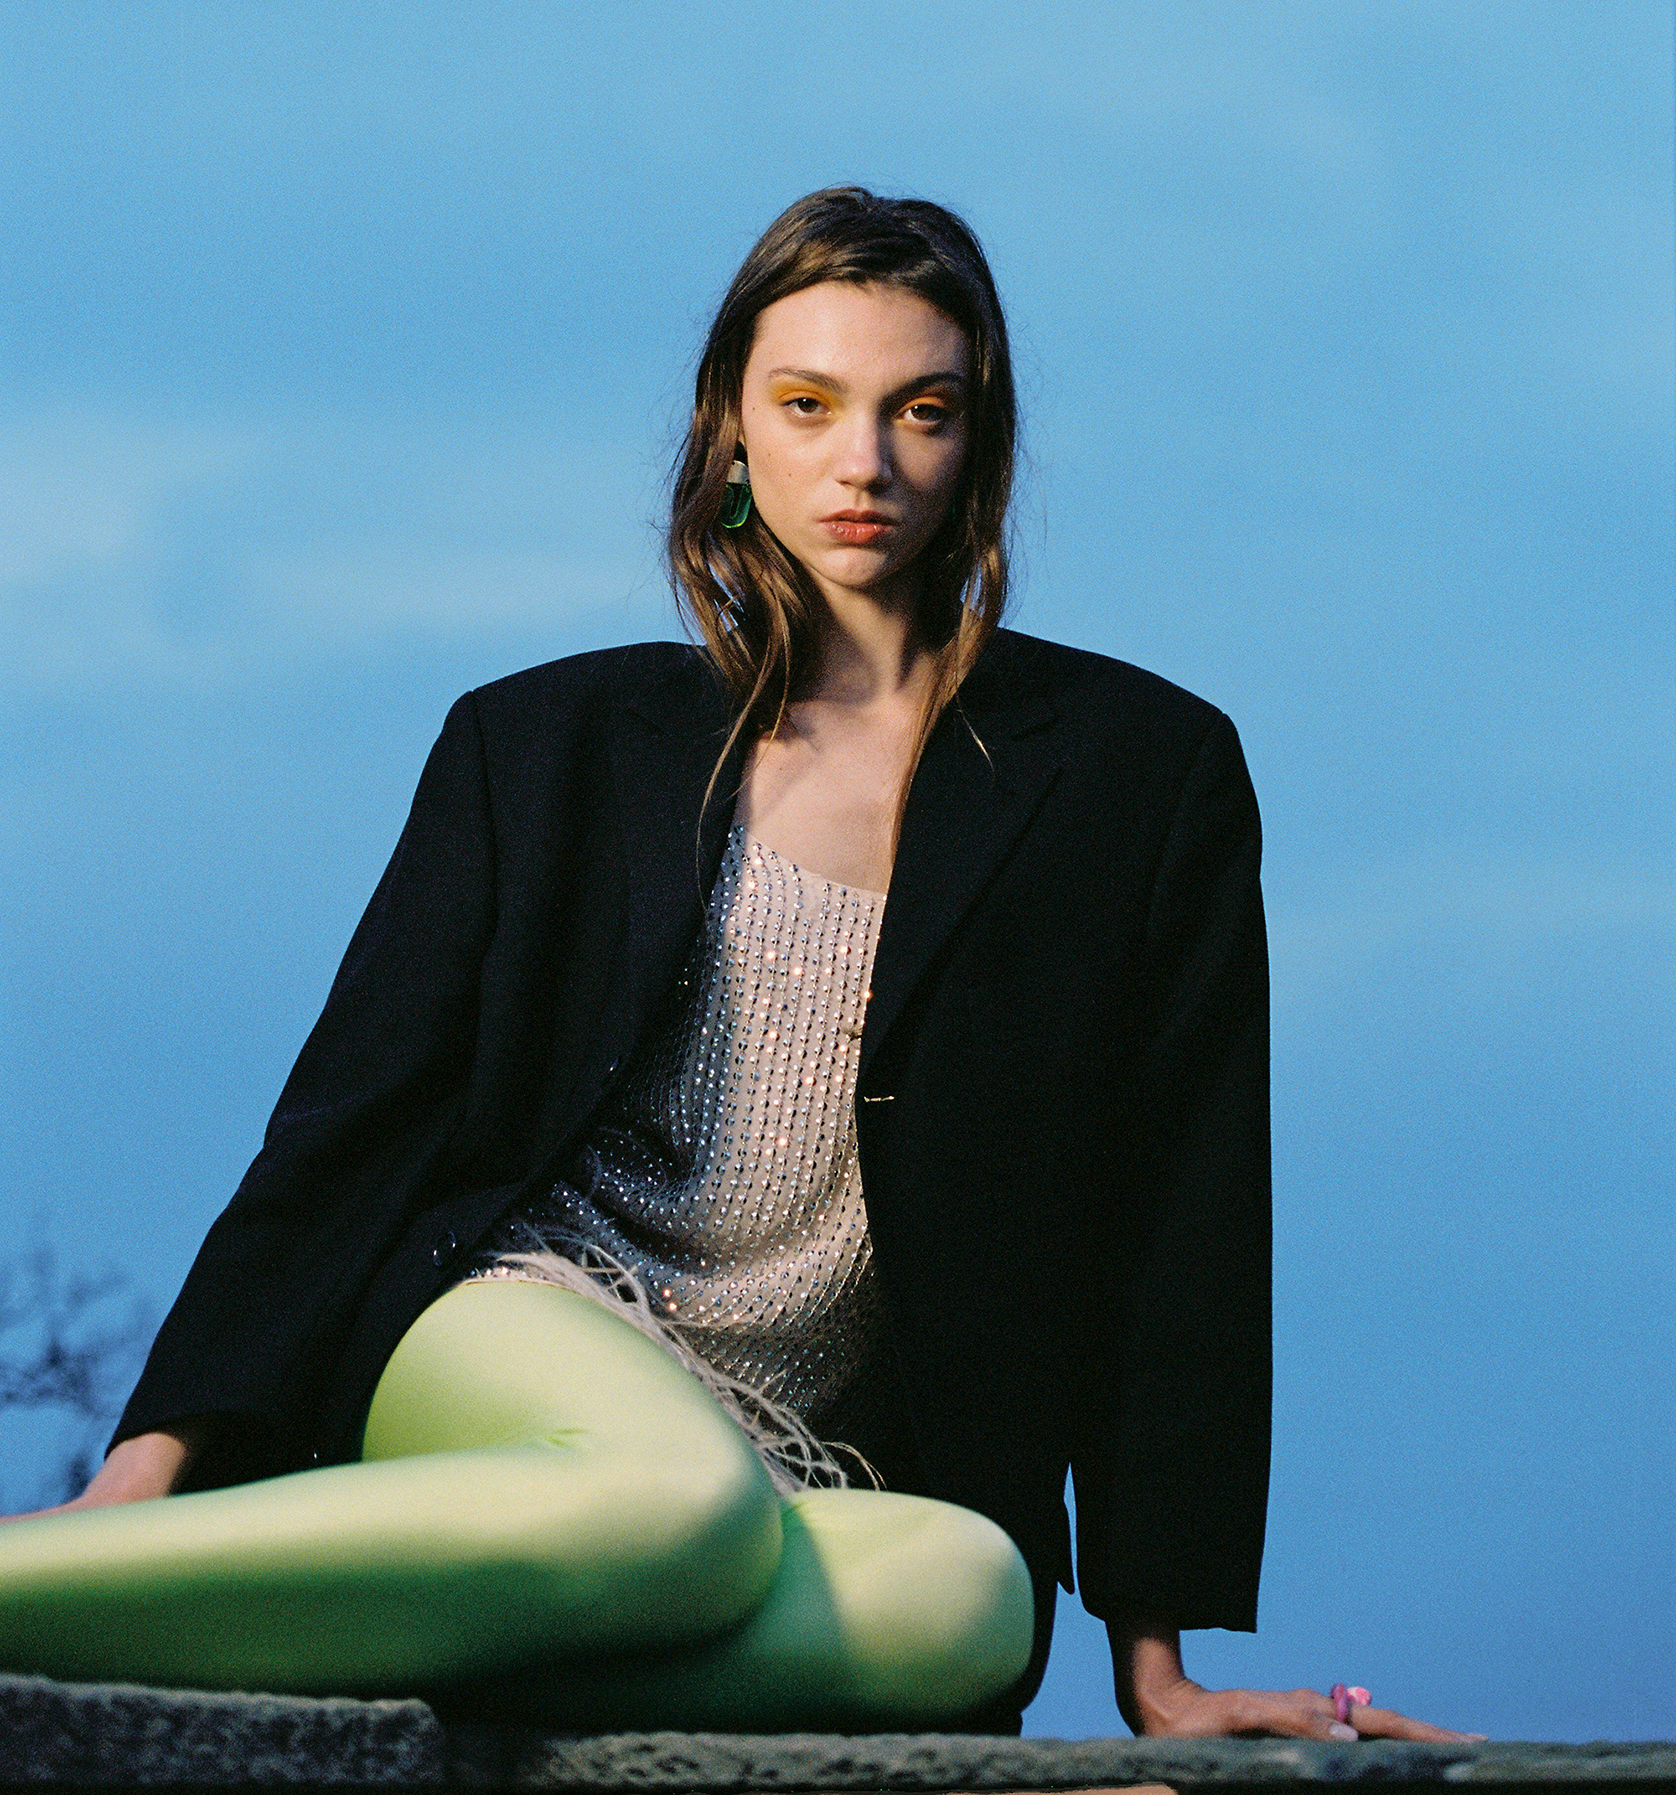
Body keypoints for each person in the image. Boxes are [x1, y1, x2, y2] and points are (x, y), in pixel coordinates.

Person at [0, 188, 1468, 1742]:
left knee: (971, 1602)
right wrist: (145, 1472)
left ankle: (413, 1654)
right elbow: (350, 1129)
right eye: (809, 404)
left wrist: (1156, 1675)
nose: (865, 461)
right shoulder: (546, 743)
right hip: (517, 1325)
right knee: (675, 1501)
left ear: (981, 442)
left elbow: (1180, 1225)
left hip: (803, 1464)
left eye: (922, 410)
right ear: (732, 435)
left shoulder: (1140, 774)